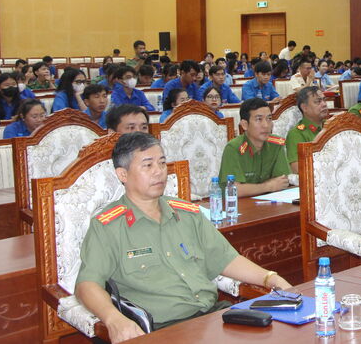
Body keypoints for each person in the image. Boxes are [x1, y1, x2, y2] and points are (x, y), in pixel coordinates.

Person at [75, 132, 293, 341]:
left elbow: (226, 259)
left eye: (162, 163)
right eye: (148, 165)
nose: (159, 171)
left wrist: (270, 278)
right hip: (161, 329)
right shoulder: (109, 225)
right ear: (123, 175)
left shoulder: (187, 212)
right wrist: (114, 320)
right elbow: (87, 284)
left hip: (212, 317)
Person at [218, 98, 290, 197]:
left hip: (269, 203)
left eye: (269, 119)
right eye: (259, 119)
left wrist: (250, 188)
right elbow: (232, 190)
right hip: (239, 207)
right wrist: (268, 186)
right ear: (245, 125)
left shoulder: (276, 144)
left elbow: (282, 181)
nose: (266, 125)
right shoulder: (234, 148)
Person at [285, 86, 328, 173]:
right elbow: (298, 170)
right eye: (318, 102)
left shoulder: (332, 126)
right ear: (304, 108)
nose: (324, 104)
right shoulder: (296, 134)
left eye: (324, 100)